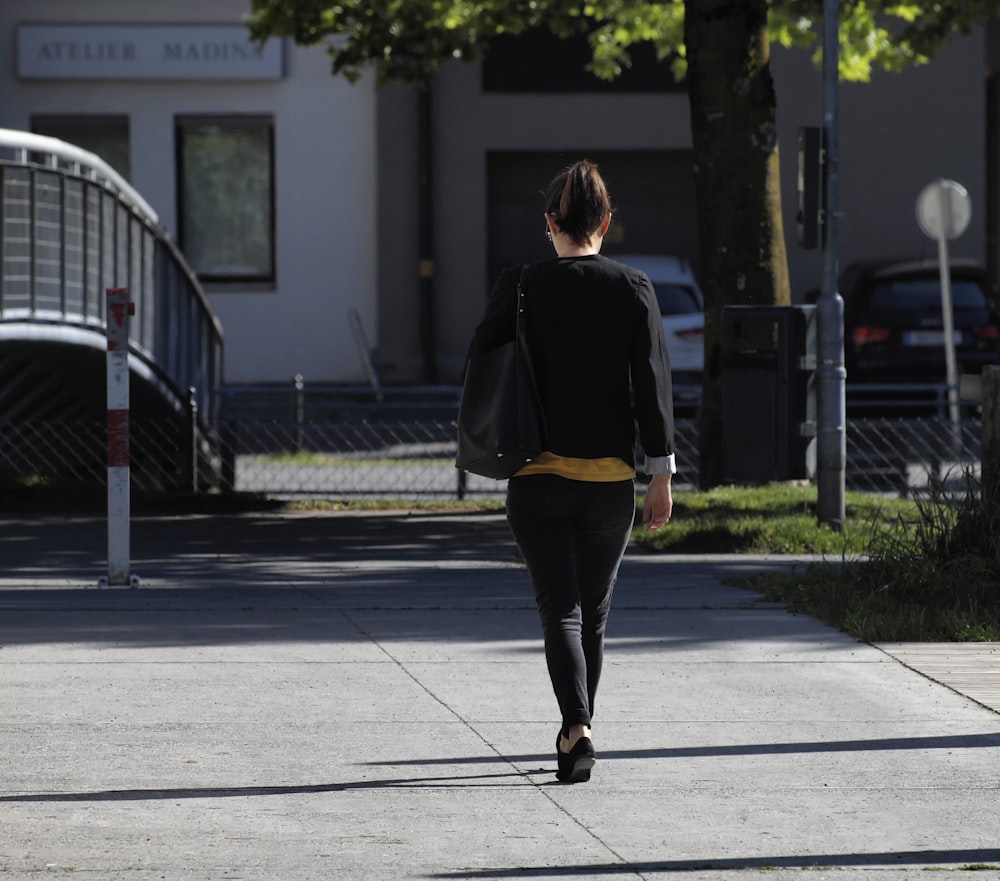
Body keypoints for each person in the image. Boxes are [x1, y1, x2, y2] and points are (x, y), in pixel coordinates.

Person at [465, 159, 676, 783]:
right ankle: (577, 728)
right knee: (594, 612)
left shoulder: (521, 283)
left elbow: (482, 354)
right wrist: (660, 475)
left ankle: (575, 728)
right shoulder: (634, 287)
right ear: (605, 222)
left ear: (550, 223)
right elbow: (652, 387)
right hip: (609, 486)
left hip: (535, 480)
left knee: (559, 609)